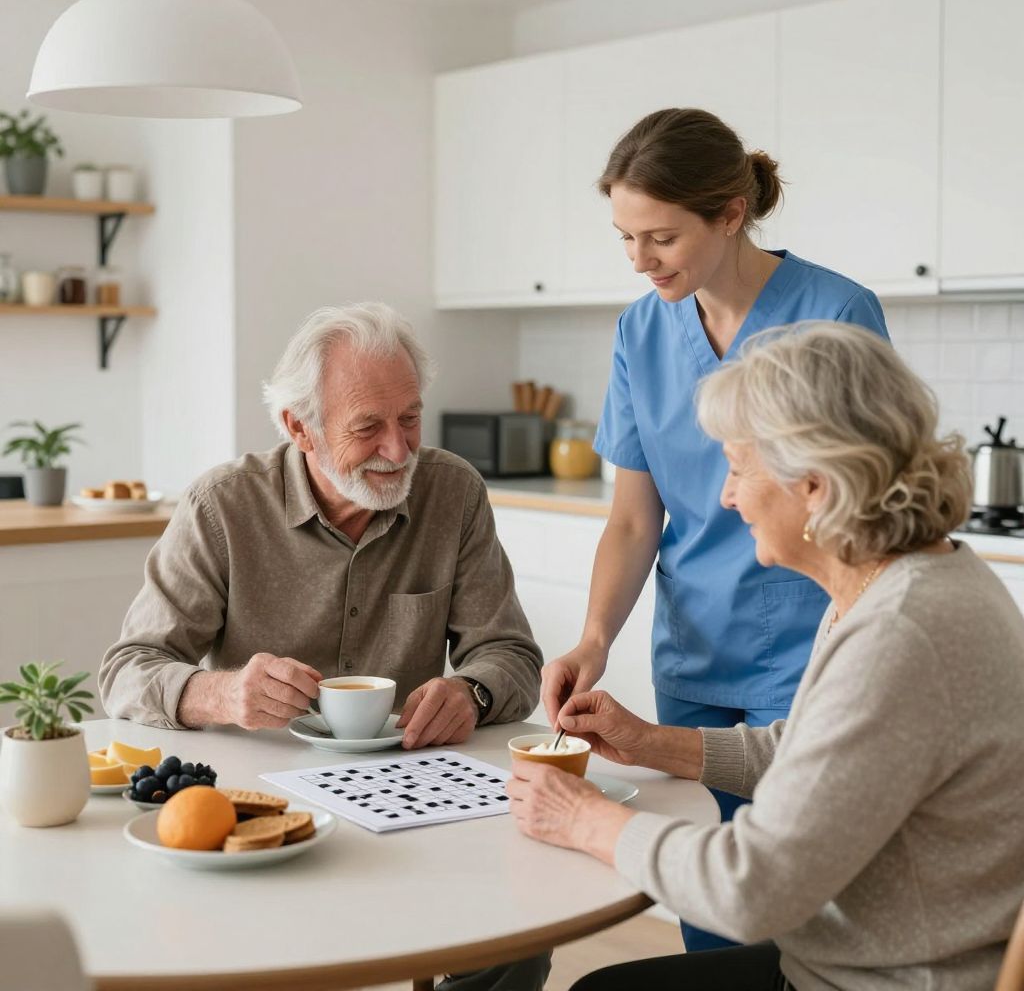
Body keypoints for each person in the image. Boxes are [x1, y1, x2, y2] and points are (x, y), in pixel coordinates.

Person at [511, 322, 1024, 990]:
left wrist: (585, 819)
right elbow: (812, 755)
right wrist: (650, 743)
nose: (727, 497)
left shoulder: (901, 631)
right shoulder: (891, 581)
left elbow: (750, 889)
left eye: (737, 466)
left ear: (814, 484)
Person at [539, 107, 890, 951]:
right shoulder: (640, 328)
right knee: (710, 908)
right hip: (694, 650)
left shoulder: (837, 310)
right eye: (625, 237)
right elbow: (632, 519)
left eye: (659, 237)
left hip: (810, 647)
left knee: (807, 908)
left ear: (731, 213)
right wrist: (593, 641)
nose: (639, 260)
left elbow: (868, 501)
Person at [99, 303, 543, 750]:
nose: (397, 450)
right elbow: (128, 671)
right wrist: (225, 695)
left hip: (407, 771)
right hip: (259, 772)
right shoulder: (220, 506)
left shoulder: (454, 492)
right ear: (300, 428)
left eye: (409, 418)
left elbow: (511, 656)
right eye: (367, 426)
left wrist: (473, 694)